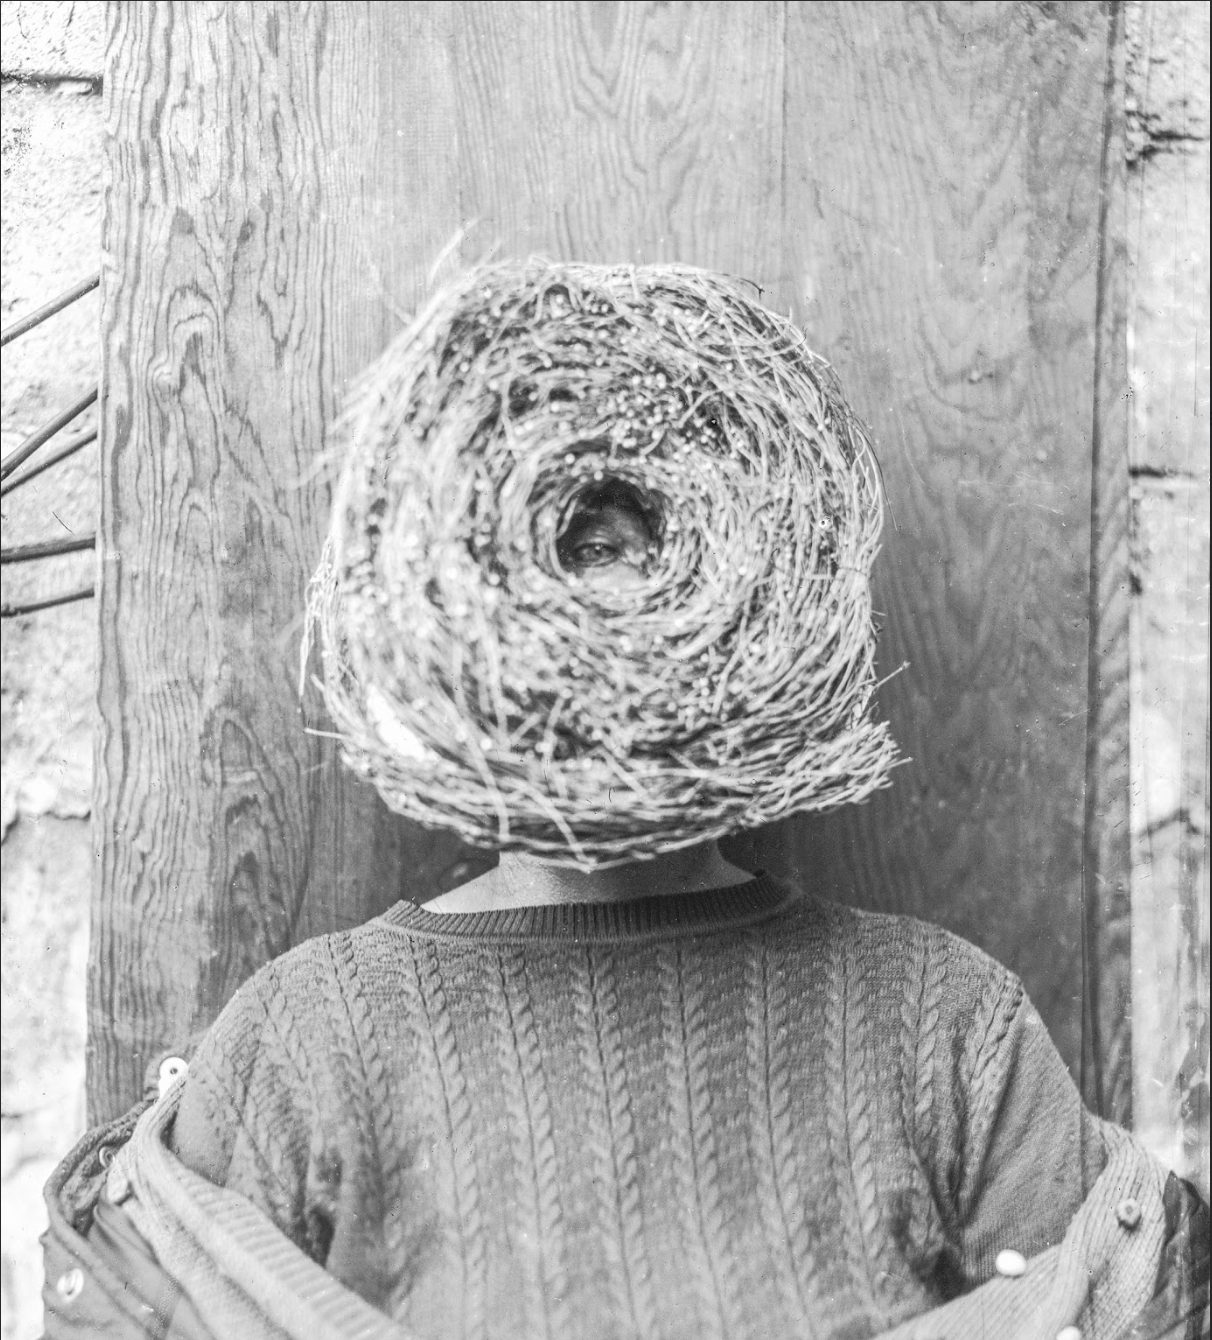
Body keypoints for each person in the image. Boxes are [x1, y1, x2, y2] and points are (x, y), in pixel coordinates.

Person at [44, 265, 1208, 1340]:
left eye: (636, 554)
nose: (609, 596)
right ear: (425, 612)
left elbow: (1123, 1288)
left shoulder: (949, 1024)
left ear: (774, 603)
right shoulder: (303, 1037)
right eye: (572, 552)